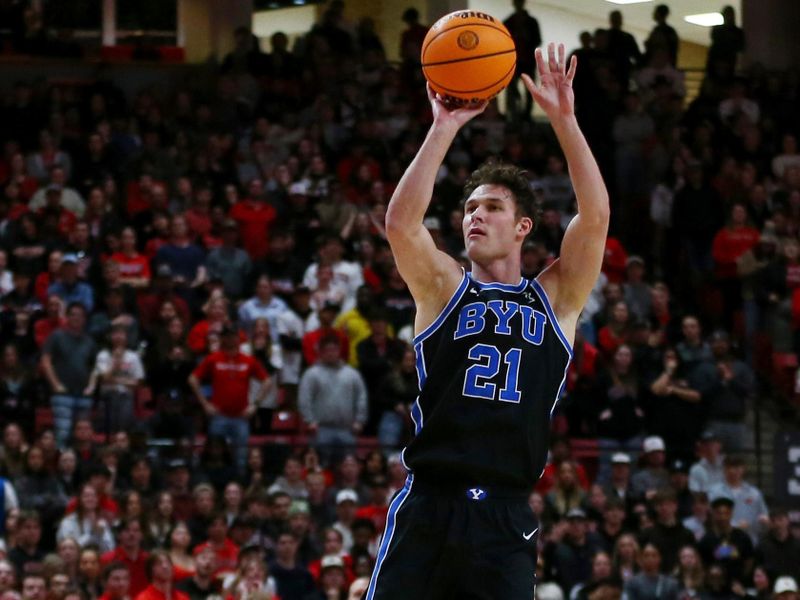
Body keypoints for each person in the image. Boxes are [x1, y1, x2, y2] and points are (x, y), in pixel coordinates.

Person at [366, 43, 609, 599]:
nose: (474, 216)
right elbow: (401, 225)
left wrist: (565, 121)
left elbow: (595, 216)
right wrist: (443, 126)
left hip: (504, 514)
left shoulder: (555, 298)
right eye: (470, 208)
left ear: (523, 225)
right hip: (428, 503)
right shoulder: (445, 286)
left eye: (491, 207)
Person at [503, 0, 541, 122]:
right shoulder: (509, 22)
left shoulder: (530, 22)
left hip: (526, 61)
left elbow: (537, 40)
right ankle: (514, 115)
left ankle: (525, 116)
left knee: (529, 90)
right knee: (513, 90)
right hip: (514, 62)